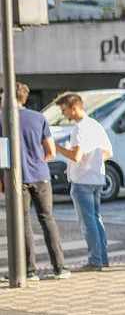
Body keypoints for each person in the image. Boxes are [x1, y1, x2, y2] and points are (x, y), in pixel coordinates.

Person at [0, 83, 69, 281]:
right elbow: (50, 151)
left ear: (7, 97)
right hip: (40, 174)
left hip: (15, 178)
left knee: (22, 223)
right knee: (47, 219)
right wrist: (37, 162)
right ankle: (60, 268)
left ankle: (29, 270)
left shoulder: (2, 118)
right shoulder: (39, 117)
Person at [52, 92, 113, 273]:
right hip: (96, 178)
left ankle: (94, 261)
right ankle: (103, 258)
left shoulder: (79, 129)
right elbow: (108, 153)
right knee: (96, 219)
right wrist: (92, 163)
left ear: (74, 108)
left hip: (82, 181)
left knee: (88, 222)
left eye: (64, 110)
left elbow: (76, 156)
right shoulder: (96, 125)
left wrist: (57, 147)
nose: (63, 114)